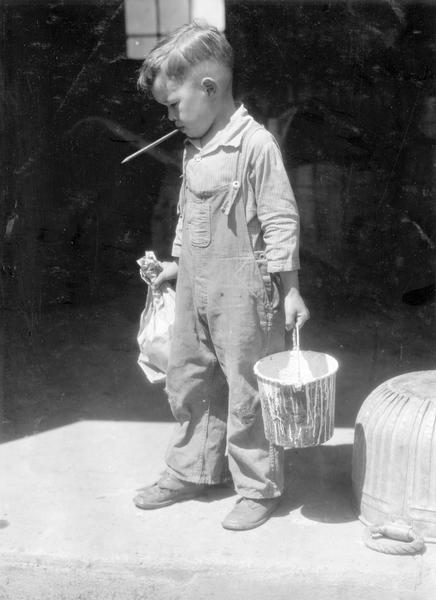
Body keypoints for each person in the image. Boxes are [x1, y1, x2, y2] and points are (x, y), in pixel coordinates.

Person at [133, 21, 310, 531]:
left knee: (247, 386)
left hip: (245, 291)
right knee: (190, 378)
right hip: (195, 286)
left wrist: (291, 287)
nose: (169, 117)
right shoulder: (195, 148)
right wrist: (173, 267)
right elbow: (191, 220)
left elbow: (280, 220)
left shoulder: (256, 146)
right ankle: (192, 468)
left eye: (173, 105)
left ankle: (258, 485)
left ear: (209, 89)